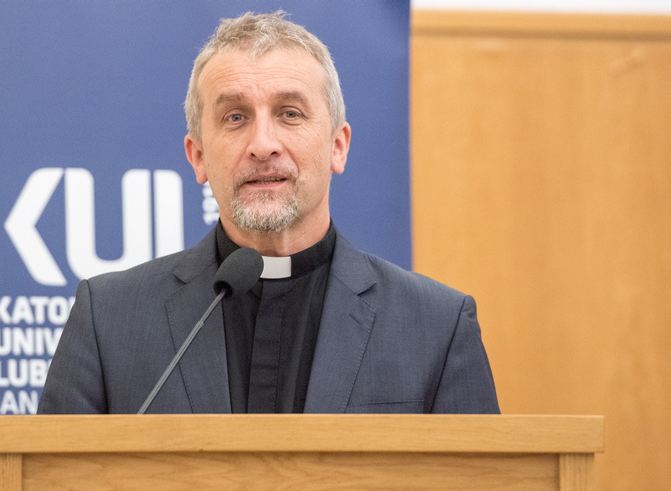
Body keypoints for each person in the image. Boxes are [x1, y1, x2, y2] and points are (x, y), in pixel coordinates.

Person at [38, 11, 499, 415]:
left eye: (290, 114)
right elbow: (54, 487)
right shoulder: (109, 320)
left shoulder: (436, 327)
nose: (263, 145)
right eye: (235, 117)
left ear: (338, 146)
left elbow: (475, 489)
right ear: (198, 156)